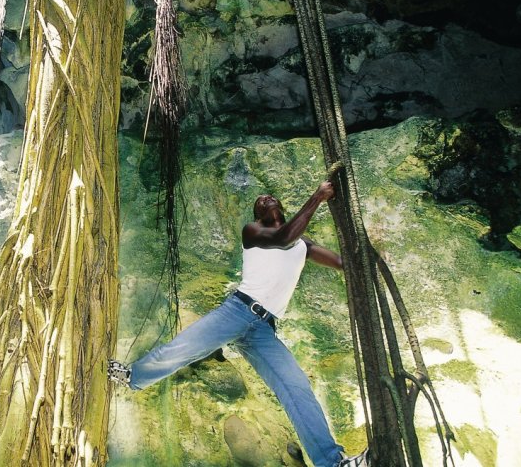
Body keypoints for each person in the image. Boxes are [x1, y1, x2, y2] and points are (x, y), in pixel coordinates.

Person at [108, 179, 370, 467]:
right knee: (185, 347)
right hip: (238, 310)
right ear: (258, 215)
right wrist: (318, 196)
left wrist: (372, 253)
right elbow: (283, 237)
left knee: (296, 387)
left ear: (280, 206)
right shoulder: (254, 231)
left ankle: (333, 462)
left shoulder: (303, 244)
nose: (265, 198)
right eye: (260, 201)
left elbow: (342, 262)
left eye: (270, 196)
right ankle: (132, 376)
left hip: (264, 330)